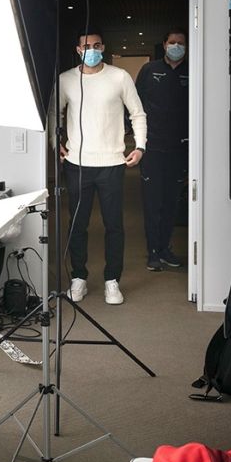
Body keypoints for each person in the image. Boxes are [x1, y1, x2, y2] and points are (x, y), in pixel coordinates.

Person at [58, 30, 147, 305]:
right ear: (78, 49)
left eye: (96, 46)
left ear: (103, 48)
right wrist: (55, 143)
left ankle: (112, 280)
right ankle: (79, 278)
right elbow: (54, 114)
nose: (92, 50)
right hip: (78, 163)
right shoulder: (66, 80)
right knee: (77, 224)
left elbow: (137, 113)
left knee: (113, 225)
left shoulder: (119, 77)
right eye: (87, 46)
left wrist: (140, 146)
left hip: (112, 163)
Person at [135, 29, 189, 271]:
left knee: (172, 202)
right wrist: (138, 139)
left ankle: (166, 248)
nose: (176, 46)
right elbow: (135, 105)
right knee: (153, 202)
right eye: (172, 42)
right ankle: (153, 252)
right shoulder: (149, 70)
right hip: (153, 148)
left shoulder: (193, 70)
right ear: (164, 44)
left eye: (181, 43)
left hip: (180, 148)